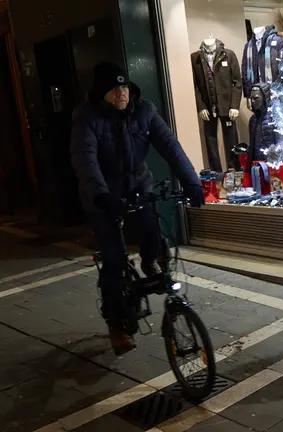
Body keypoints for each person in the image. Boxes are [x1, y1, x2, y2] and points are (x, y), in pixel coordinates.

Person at [70, 62, 204, 354]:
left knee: (155, 239)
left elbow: (170, 146)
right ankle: (116, 323)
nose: (121, 93)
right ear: (101, 93)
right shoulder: (87, 118)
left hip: (138, 187)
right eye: (114, 88)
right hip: (102, 196)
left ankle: (151, 263)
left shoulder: (144, 111)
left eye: (125, 86)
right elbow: (85, 161)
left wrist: (192, 182)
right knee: (115, 261)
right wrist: (102, 196)